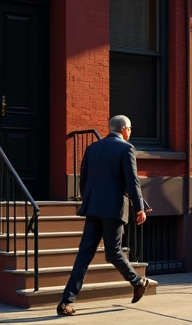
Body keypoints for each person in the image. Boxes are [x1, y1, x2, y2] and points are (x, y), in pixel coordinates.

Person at [57, 115, 152, 317]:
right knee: (114, 252)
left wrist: (88, 200)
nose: (130, 133)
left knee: (84, 255)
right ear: (125, 129)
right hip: (113, 209)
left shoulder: (92, 148)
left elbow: (83, 180)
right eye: (131, 129)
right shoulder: (126, 149)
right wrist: (139, 208)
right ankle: (138, 282)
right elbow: (132, 181)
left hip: (93, 208)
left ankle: (66, 302)